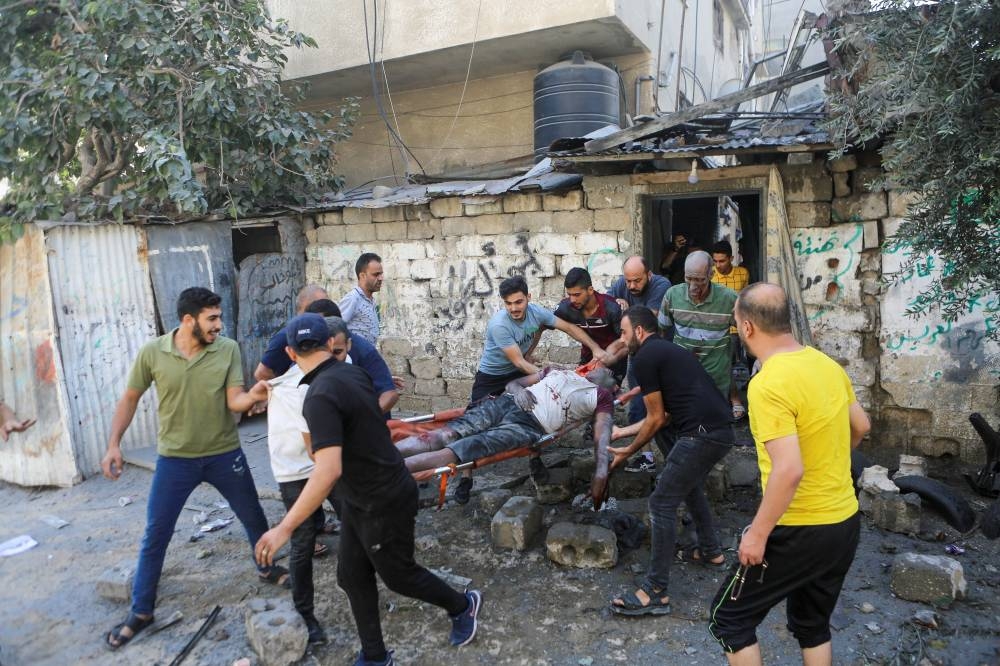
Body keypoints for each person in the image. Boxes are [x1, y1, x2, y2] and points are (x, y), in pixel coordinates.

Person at [254, 314, 481, 666]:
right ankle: (375, 656)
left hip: (381, 499)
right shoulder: (350, 373)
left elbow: (327, 469)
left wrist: (285, 528)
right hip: (363, 497)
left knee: (399, 575)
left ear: (289, 352)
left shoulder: (319, 396)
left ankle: (463, 605)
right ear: (330, 345)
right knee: (350, 575)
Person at [100, 287, 281, 650]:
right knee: (156, 534)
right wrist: (114, 444)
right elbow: (130, 398)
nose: (219, 325)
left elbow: (235, 400)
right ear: (188, 320)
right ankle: (141, 611)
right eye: (212, 318)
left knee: (252, 516)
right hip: (174, 460)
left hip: (224, 453)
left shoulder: (227, 349)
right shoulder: (153, 352)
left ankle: (266, 567)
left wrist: (256, 396)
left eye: (219, 317)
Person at [708, 284, 870, 666]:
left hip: (799, 528)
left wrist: (758, 534)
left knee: (728, 619)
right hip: (844, 521)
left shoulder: (767, 383)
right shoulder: (825, 364)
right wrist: (828, 458)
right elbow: (861, 426)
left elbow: (789, 469)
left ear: (747, 328)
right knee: (812, 624)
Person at [606, 306, 735, 617]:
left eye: (624, 333)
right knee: (688, 488)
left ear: (638, 331)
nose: (622, 340)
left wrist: (627, 450)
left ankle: (655, 590)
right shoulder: (666, 350)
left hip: (702, 435)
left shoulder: (645, 356)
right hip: (719, 431)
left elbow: (655, 418)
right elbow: (663, 414)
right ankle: (711, 551)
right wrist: (623, 430)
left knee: (661, 502)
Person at [465, 275, 615, 499]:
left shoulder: (537, 313)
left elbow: (569, 327)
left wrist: (594, 348)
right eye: (509, 303)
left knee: (533, 411)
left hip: (520, 370)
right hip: (493, 375)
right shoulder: (499, 324)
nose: (514, 308)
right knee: (472, 420)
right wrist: (551, 377)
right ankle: (465, 477)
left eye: (519, 302)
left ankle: (534, 460)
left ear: (528, 298)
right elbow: (518, 361)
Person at [397, 366, 625, 504]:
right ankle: (379, 454)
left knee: (458, 450)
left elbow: (602, 434)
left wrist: (600, 474)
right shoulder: (559, 371)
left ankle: (385, 469)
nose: (608, 370)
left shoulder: (601, 396)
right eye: (607, 367)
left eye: (613, 375)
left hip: (527, 426)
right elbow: (513, 383)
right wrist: (518, 391)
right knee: (442, 435)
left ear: (613, 388)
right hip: (506, 402)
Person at [257, 299, 399, 417]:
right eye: (322, 351)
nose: (327, 360)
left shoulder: (363, 352)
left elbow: (389, 394)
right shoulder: (296, 346)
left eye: (337, 352)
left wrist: (364, 419)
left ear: (347, 344)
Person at [607, 256, 672, 470]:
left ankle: (675, 457)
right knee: (637, 407)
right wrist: (614, 304)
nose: (631, 286)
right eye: (628, 281)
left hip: (660, 354)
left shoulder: (661, 285)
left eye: (637, 280)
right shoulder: (620, 284)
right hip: (637, 356)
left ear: (649, 275)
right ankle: (647, 458)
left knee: (665, 410)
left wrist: (624, 313)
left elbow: (645, 324)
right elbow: (606, 304)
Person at [659, 251, 741, 418]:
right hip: (683, 373)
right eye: (688, 279)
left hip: (716, 377)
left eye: (699, 280)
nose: (693, 287)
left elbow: (747, 331)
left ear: (711, 274)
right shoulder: (672, 296)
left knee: (713, 422)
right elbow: (661, 332)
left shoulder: (729, 299)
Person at [554, 267, 628, 383]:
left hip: (613, 360)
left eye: (577, 294)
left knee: (607, 397)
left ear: (590, 290)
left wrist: (610, 357)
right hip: (587, 359)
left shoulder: (611, 308)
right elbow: (542, 321)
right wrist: (528, 353)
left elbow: (627, 340)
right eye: (570, 294)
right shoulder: (566, 308)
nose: (572, 299)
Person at [711, 239, 752, 422]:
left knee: (743, 365)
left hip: (739, 329)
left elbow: (746, 300)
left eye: (722, 261)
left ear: (731, 258)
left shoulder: (743, 274)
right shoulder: (710, 276)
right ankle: (734, 401)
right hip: (718, 329)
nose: (719, 265)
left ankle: (743, 401)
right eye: (716, 261)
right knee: (724, 366)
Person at [254, 284, 328, 381]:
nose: (329, 310)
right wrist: (286, 388)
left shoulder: (322, 331)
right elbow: (261, 373)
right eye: (324, 306)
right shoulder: (286, 336)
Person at [339, 252, 383, 345]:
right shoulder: (353, 299)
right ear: (362, 276)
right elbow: (335, 327)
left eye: (381, 274)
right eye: (376, 274)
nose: (380, 278)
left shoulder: (371, 301)